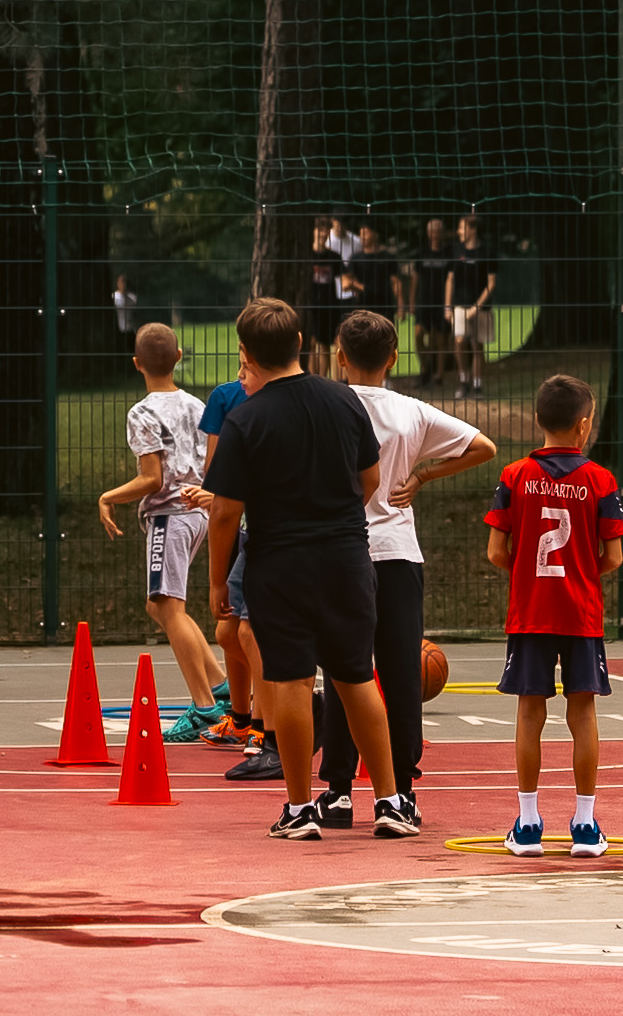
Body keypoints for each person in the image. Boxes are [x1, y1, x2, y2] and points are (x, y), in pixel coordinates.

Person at [190, 296, 416, 840]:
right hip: (345, 556)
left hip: (279, 560)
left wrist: (220, 580)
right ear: (300, 344)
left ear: (244, 353)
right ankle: (389, 800)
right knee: (357, 676)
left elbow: (224, 512)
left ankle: (298, 809)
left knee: (289, 679)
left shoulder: (245, 418)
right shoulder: (344, 402)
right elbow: (369, 480)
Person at [315, 309, 496, 829]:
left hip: (341, 550)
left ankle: (340, 790)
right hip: (396, 551)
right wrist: (423, 476)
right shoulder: (411, 411)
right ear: (394, 358)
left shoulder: (328, 406)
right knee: (399, 673)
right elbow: (483, 446)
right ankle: (400, 794)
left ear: (339, 357)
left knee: (345, 673)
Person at [486, 373, 623, 857]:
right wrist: (580, 572)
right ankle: (585, 827)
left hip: (530, 611)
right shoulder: (601, 480)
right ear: (584, 426)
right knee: (582, 711)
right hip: (581, 613)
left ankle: (528, 826)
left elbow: (495, 551)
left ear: (536, 419)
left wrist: (529, 569)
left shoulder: (514, 476)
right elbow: (614, 558)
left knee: (529, 711)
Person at [98, 322, 225, 743]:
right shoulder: (197, 404)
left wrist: (109, 497)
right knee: (160, 606)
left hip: (169, 514)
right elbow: (210, 461)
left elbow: (152, 478)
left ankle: (205, 706)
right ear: (180, 356)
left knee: (168, 607)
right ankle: (221, 685)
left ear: (137, 364)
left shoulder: (142, 412)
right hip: (198, 510)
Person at [195, 357, 272, 771]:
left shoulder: (286, 406)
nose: (240, 374)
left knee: (247, 631)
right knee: (232, 631)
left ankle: (264, 722)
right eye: (238, 364)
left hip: (276, 536)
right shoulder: (228, 398)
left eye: (246, 365)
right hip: (251, 529)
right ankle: (246, 718)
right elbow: (218, 477)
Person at [445, 215, 498, 395]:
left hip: (481, 306)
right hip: (460, 304)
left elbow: (491, 283)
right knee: (459, 340)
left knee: (477, 345)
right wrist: (447, 306)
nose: (459, 231)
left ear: (472, 230)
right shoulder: (456, 250)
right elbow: (450, 279)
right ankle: (463, 381)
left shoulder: (487, 251)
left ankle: (477, 384)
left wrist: (477, 306)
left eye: (462, 228)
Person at [409, 219, 456, 389]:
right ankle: (425, 369)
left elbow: (452, 279)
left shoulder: (448, 254)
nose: (435, 235)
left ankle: (439, 375)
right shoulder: (421, 253)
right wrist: (411, 301)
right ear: (428, 234)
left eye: (438, 231)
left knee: (440, 340)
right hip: (423, 302)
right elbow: (415, 279)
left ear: (442, 234)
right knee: (419, 335)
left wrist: (448, 304)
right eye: (432, 231)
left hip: (441, 302)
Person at [304, 219, 341, 380]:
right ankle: (313, 378)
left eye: (326, 230)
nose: (322, 233)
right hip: (310, 304)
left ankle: (323, 379)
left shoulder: (334, 257)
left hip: (329, 305)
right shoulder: (306, 256)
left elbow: (343, 278)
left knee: (325, 344)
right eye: (319, 229)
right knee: (311, 344)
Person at [348, 224, 404, 328]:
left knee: (385, 338)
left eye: (365, 233)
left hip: (385, 305)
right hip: (363, 306)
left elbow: (396, 283)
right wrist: (364, 289)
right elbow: (349, 281)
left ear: (375, 235)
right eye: (360, 234)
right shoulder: (355, 258)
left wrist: (401, 307)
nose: (362, 237)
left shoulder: (388, 257)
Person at [112, 274, 138, 349]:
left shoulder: (132, 298)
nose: (124, 285)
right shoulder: (114, 297)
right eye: (122, 282)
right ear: (118, 284)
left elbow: (134, 314)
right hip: (119, 329)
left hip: (130, 329)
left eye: (125, 283)